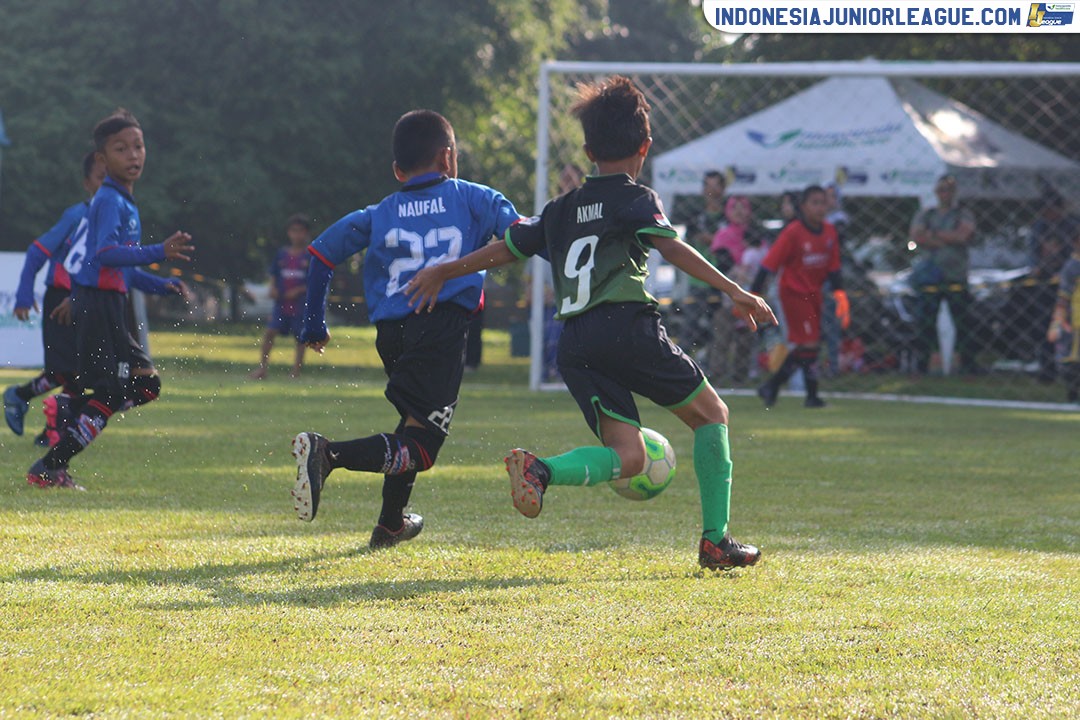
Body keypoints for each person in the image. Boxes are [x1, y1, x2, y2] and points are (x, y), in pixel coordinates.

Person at [405, 76, 776, 571]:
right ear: (644, 147)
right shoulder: (635, 198)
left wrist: (444, 269)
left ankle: (541, 470)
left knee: (629, 457)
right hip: (627, 328)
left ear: (586, 150)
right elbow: (670, 246)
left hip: (575, 342)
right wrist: (734, 289)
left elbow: (506, 249)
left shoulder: (559, 210)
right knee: (713, 415)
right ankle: (715, 541)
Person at [289, 109, 520, 549]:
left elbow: (320, 254)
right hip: (441, 326)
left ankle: (391, 524)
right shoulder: (475, 198)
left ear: (397, 170)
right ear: (448, 158)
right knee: (423, 447)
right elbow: (521, 235)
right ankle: (328, 453)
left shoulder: (380, 213)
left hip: (392, 333)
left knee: (412, 424)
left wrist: (314, 321)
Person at [26, 108, 193, 490]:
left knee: (145, 387)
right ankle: (49, 465)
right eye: (121, 149)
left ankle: (69, 412)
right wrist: (158, 250)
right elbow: (104, 254)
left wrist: (159, 284)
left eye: (138, 146)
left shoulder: (123, 201)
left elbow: (123, 268)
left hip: (108, 305)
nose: (133, 155)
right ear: (102, 159)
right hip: (99, 306)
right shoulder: (109, 201)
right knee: (115, 391)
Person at [5, 151, 105, 444]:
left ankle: (40, 415)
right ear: (87, 183)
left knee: (81, 372)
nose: (108, 186)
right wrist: (24, 294)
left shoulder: (117, 220)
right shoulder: (77, 215)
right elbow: (38, 251)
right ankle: (44, 421)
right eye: (101, 179)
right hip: (61, 299)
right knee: (68, 371)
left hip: (90, 301)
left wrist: (158, 282)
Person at [752, 185, 850, 409]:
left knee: (807, 346)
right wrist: (754, 293)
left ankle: (772, 386)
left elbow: (834, 267)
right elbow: (769, 265)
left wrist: (841, 295)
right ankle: (811, 396)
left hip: (815, 295)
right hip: (793, 294)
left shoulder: (829, 232)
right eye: (814, 202)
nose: (819, 207)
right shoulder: (793, 232)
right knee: (810, 343)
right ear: (803, 207)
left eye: (823, 202)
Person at [907, 175, 978, 376]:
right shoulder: (927, 214)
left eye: (948, 190)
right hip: (931, 277)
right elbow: (917, 236)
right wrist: (948, 236)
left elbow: (963, 235)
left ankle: (967, 366)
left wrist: (933, 235)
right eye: (941, 190)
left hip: (956, 276)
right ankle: (923, 365)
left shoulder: (963, 214)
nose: (944, 194)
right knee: (925, 323)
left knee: (963, 322)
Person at [1025, 193, 1080, 383]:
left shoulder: (1072, 225)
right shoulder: (1039, 227)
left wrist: (1064, 270)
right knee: (1044, 327)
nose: (1048, 213)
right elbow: (1032, 252)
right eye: (1044, 209)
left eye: (1051, 208)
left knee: (1071, 333)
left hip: (1071, 286)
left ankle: (1070, 374)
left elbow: (1074, 253)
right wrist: (1036, 268)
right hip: (1045, 284)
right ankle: (1047, 371)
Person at [250, 214, 313, 379]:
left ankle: (295, 372)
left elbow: (315, 282)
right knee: (270, 332)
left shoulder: (310, 256)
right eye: (293, 231)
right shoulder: (282, 254)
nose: (296, 235)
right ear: (288, 233)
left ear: (306, 233)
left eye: (300, 231)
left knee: (300, 338)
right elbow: (274, 275)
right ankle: (262, 368)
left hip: (300, 304)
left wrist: (299, 290)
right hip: (281, 303)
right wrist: (272, 288)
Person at [677, 170, 728, 358]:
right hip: (697, 281)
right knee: (689, 327)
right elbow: (685, 245)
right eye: (708, 185)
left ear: (723, 189)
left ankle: (715, 367)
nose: (712, 191)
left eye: (716, 186)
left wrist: (713, 240)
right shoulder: (695, 217)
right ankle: (682, 362)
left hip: (723, 281)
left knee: (720, 328)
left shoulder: (729, 217)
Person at [707, 195, 756, 384]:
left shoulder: (754, 234)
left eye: (742, 207)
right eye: (734, 207)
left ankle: (740, 376)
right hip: (727, 291)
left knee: (746, 335)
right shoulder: (723, 235)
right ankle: (717, 374)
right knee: (723, 333)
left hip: (751, 291)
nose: (739, 211)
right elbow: (721, 263)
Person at [1047, 229, 1080, 403]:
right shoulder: (1073, 267)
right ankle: (1073, 395)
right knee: (1071, 361)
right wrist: (1057, 322)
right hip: (1075, 323)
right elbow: (1063, 298)